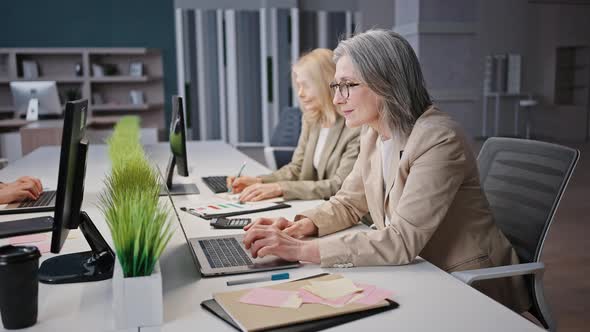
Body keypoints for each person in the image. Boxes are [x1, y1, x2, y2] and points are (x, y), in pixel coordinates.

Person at [242, 30, 530, 313]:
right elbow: (349, 202)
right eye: (335, 87)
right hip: (417, 271)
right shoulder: (373, 134)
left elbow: (401, 240)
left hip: (464, 284)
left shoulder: (438, 139)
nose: (338, 99)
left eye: (348, 86)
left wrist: (300, 251)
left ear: (386, 83)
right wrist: (300, 225)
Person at [227, 48, 361, 202]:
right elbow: (296, 168)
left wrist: (281, 188)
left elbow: (339, 185)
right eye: (298, 86)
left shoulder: (355, 128)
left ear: (326, 84)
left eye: (306, 86)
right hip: (316, 204)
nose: (300, 93)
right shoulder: (312, 119)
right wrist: (259, 182)